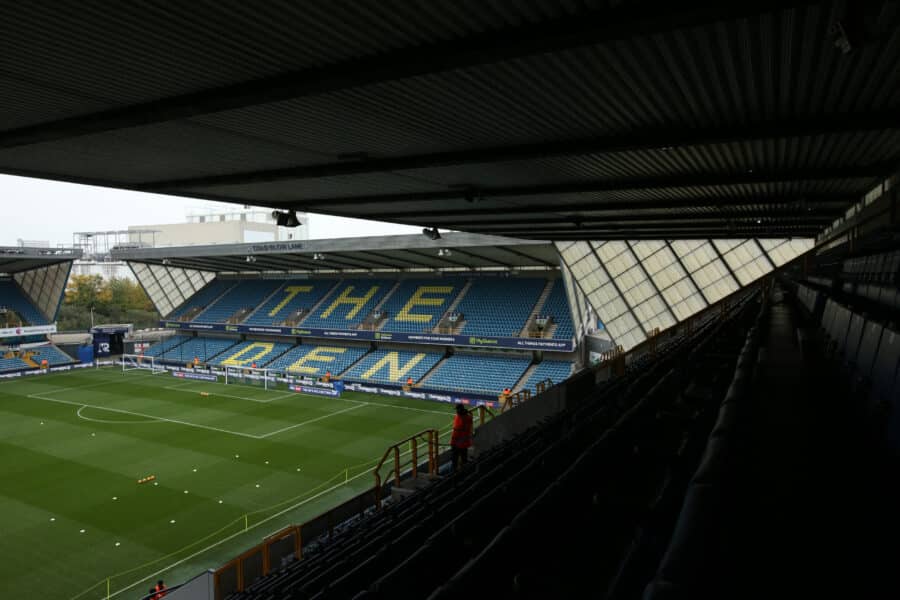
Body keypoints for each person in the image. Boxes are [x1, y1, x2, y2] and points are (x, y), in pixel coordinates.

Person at [450, 403, 473, 472]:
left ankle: (454, 472)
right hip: (465, 441)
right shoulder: (468, 416)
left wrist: (453, 442)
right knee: (464, 457)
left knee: (454, 459)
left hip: (458, 442)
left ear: (459, 410)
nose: (456, 411)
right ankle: (464, 470)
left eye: (457, 409)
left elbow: (456, 430)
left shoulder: (459, 418)